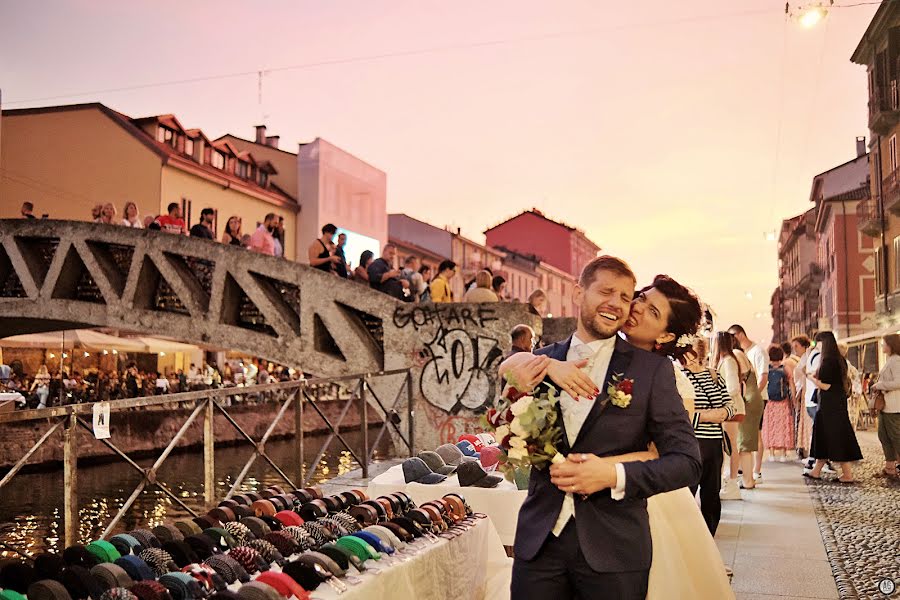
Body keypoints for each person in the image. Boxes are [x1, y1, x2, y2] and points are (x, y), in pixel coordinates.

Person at [500, 259, 705, 600]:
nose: (621, 304)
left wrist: (612, 475)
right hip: (538, 546)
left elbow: (687, 461)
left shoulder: (653, 372)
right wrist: (546, 367)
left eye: (625, 296)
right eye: (607, 292)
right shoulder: (543, 359)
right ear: (579, 292)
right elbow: (503, 388)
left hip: (615, 550)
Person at [683, 337, 734, 536]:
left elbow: (729, 406)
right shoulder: (679, 376)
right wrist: (708, 416)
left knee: (712, 493)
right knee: (688, 491)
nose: (693, 358)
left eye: (698, 355)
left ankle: (708, 536)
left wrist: (723, 414)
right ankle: (686, 537)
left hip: (714, 443)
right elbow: (682, 414)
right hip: (692, 442)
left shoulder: (714, 376)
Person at [805, 331, 863, 483]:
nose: (816, 346)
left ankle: (847, 474)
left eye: (818, 342)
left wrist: (812, 379)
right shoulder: (839, 359)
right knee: (828, 437)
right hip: (836, 403)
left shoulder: (828, 361)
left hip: (829, 405)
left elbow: (827, 386)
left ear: (824, 343)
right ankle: (816, 471)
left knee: (834, 437)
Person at [728, 324, 768, 482]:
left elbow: (763, 376)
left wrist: (753, 395)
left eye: (732, 336)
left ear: (739, 335)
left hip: (754, 397)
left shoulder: (757, 351)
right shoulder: (744, 353)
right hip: (752, 397)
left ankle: (755, 472)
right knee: (747, 438)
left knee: (752, 437)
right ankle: (747, 472)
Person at [716, 332, 754, 498]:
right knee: (730, 445)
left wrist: (719, 398)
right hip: (732, 408)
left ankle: (732, 483)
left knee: (730, 446)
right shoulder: (728, 360)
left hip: (731, 409)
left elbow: (733, 388)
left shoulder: (728, 361)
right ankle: (730, 481)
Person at [868, 334, 900, 478]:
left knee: (895, 437)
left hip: (894, 405)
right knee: (884, 435)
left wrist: (880, 385)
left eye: (884, 343)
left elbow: (898, 382)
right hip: (885, 405)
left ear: (891, 345)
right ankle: (890, 467)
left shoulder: (896, 361)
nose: (882, 346)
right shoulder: (890, 360)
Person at [762, 345, 795, 462]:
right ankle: (783, 453)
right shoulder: (785, 368)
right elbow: (791, 383)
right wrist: (794, 399)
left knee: (771, 426)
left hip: (770, 402)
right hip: (783, 401)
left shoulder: (767, 368)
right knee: (783, 425)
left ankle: (771, 452)